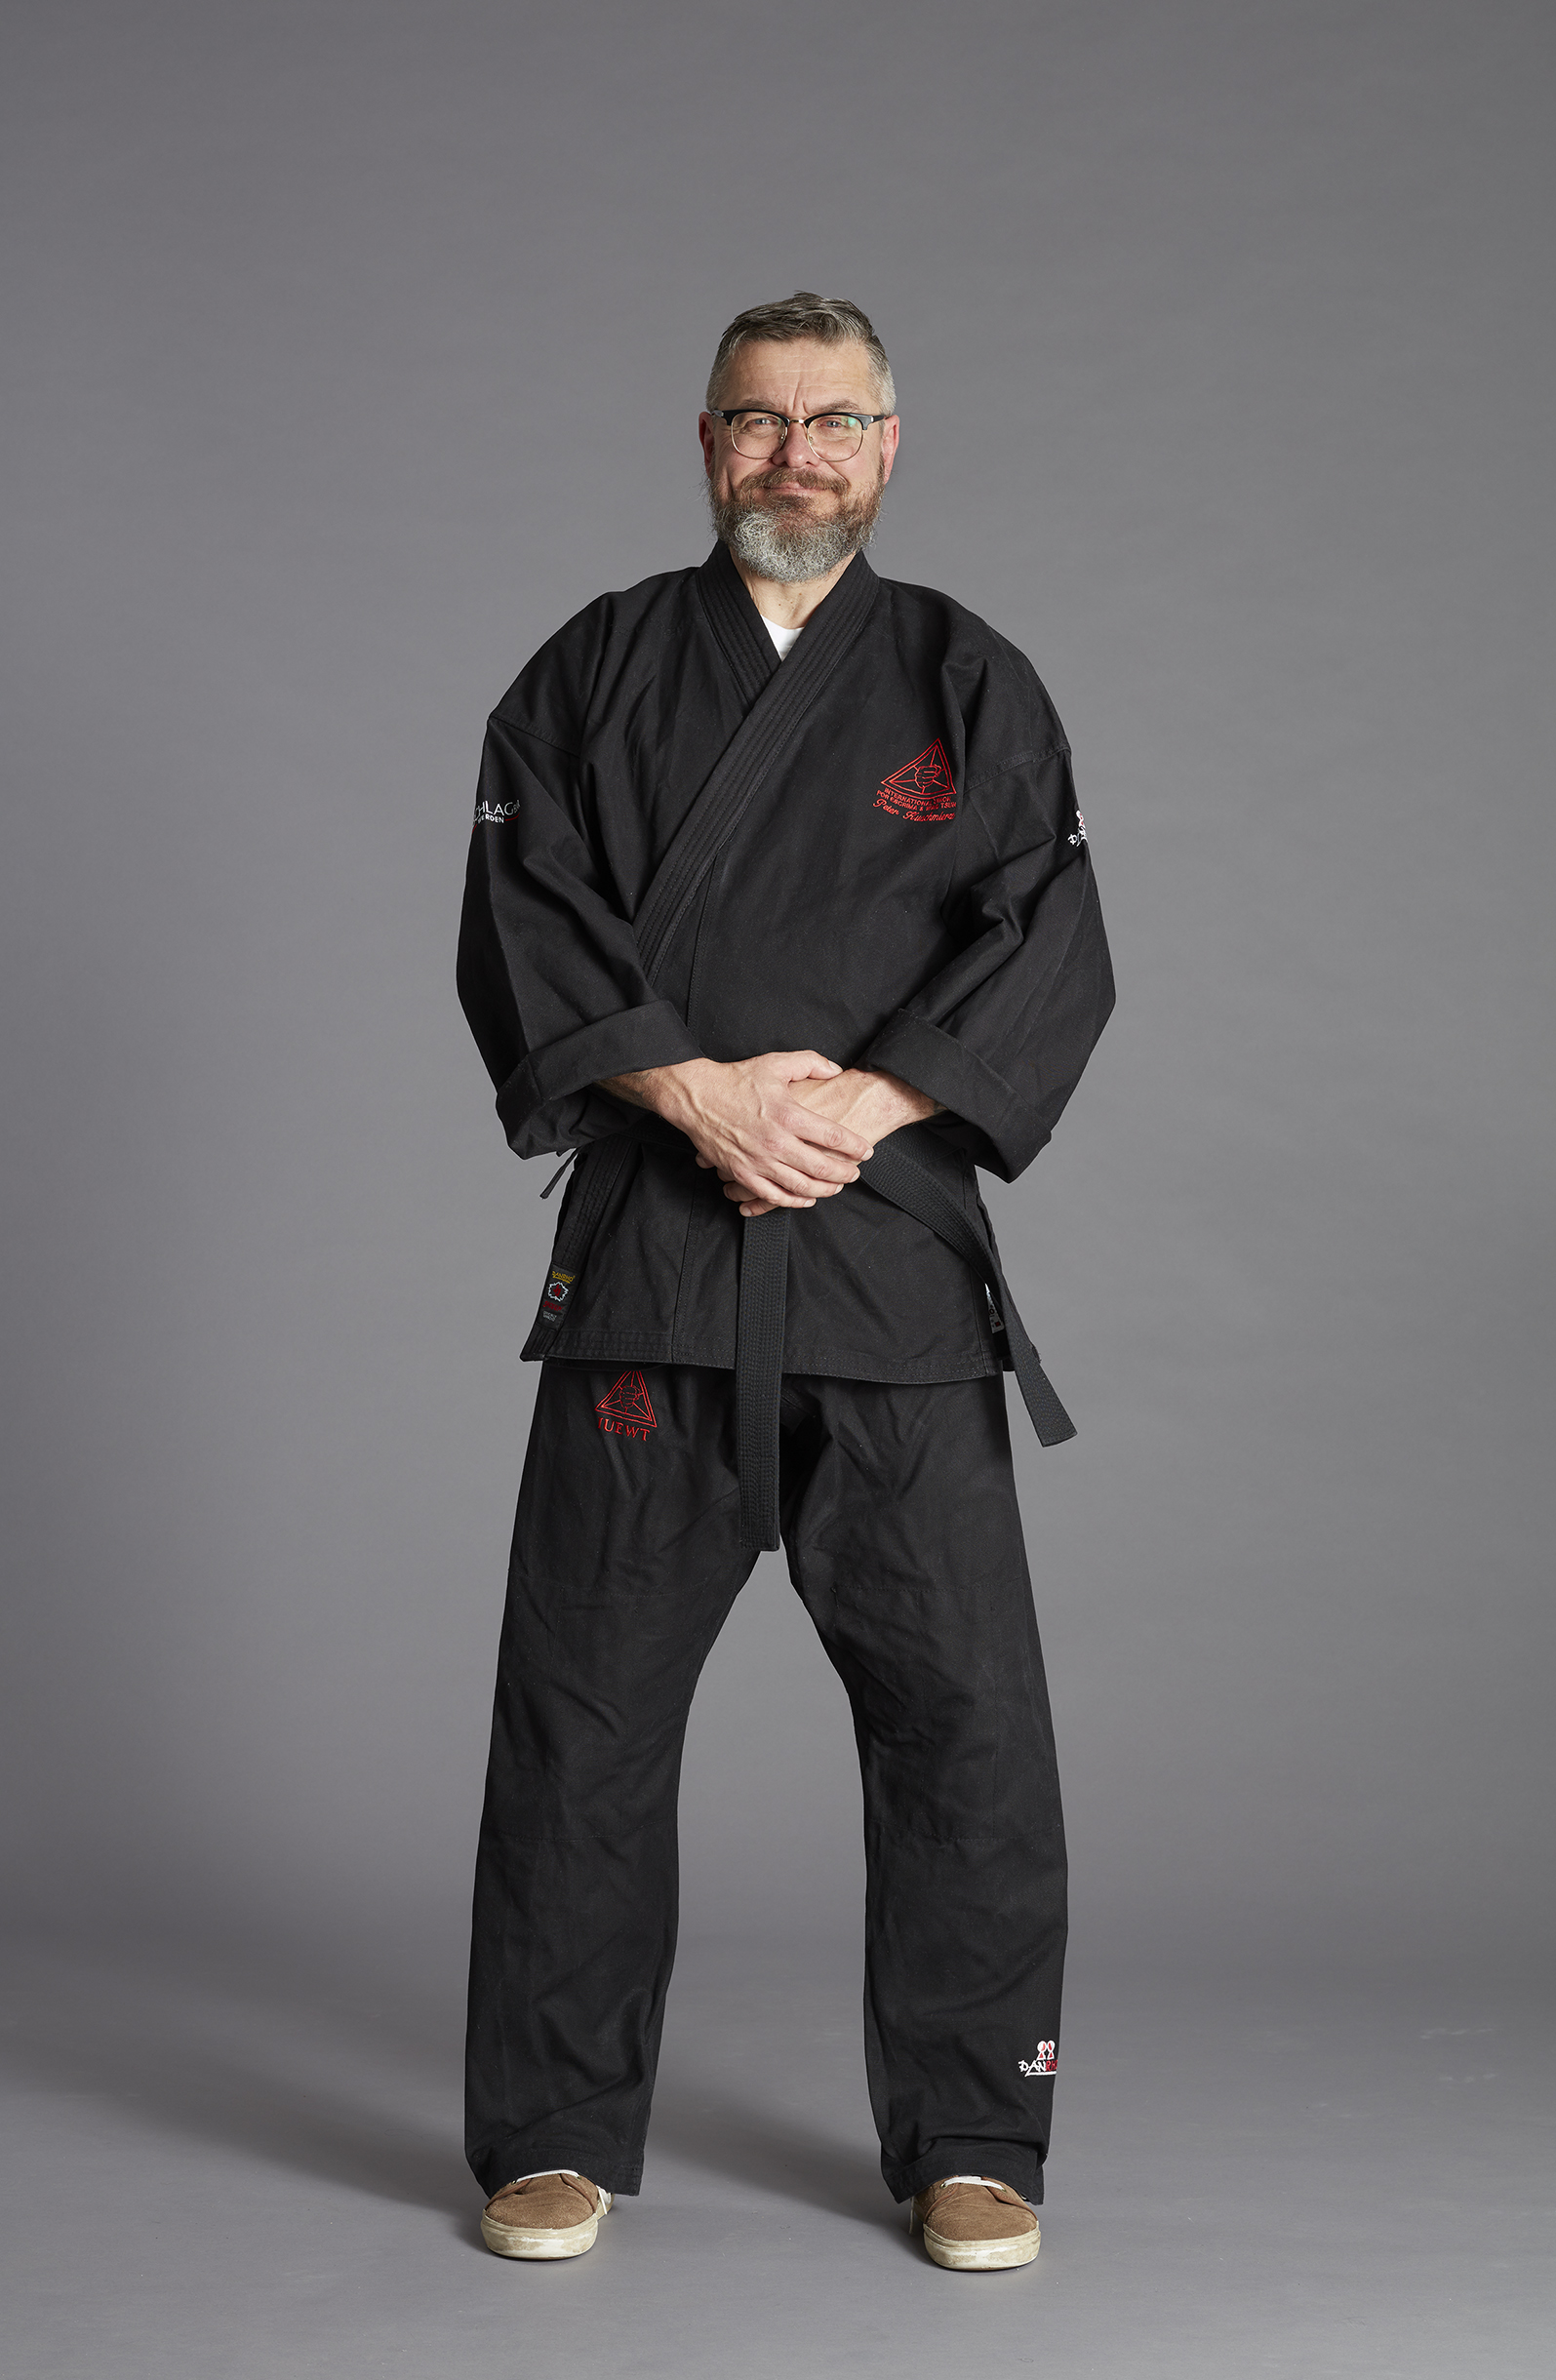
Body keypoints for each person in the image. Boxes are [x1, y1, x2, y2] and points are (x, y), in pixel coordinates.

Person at [457, 292, 1115, 2272]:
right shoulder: (592, 669)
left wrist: (867, 1099)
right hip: (654, 1272)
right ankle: (553, 2130)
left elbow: (1049, 934)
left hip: (887, 1269)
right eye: (759, 420)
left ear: (890, 447)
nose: (795, 456)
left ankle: (974, 2132)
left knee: (966, 1724)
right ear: (705, 440)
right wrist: (699, 1092)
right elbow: (523, 913)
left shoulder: (967, 677)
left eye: (834, 422)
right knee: (581, 1714)